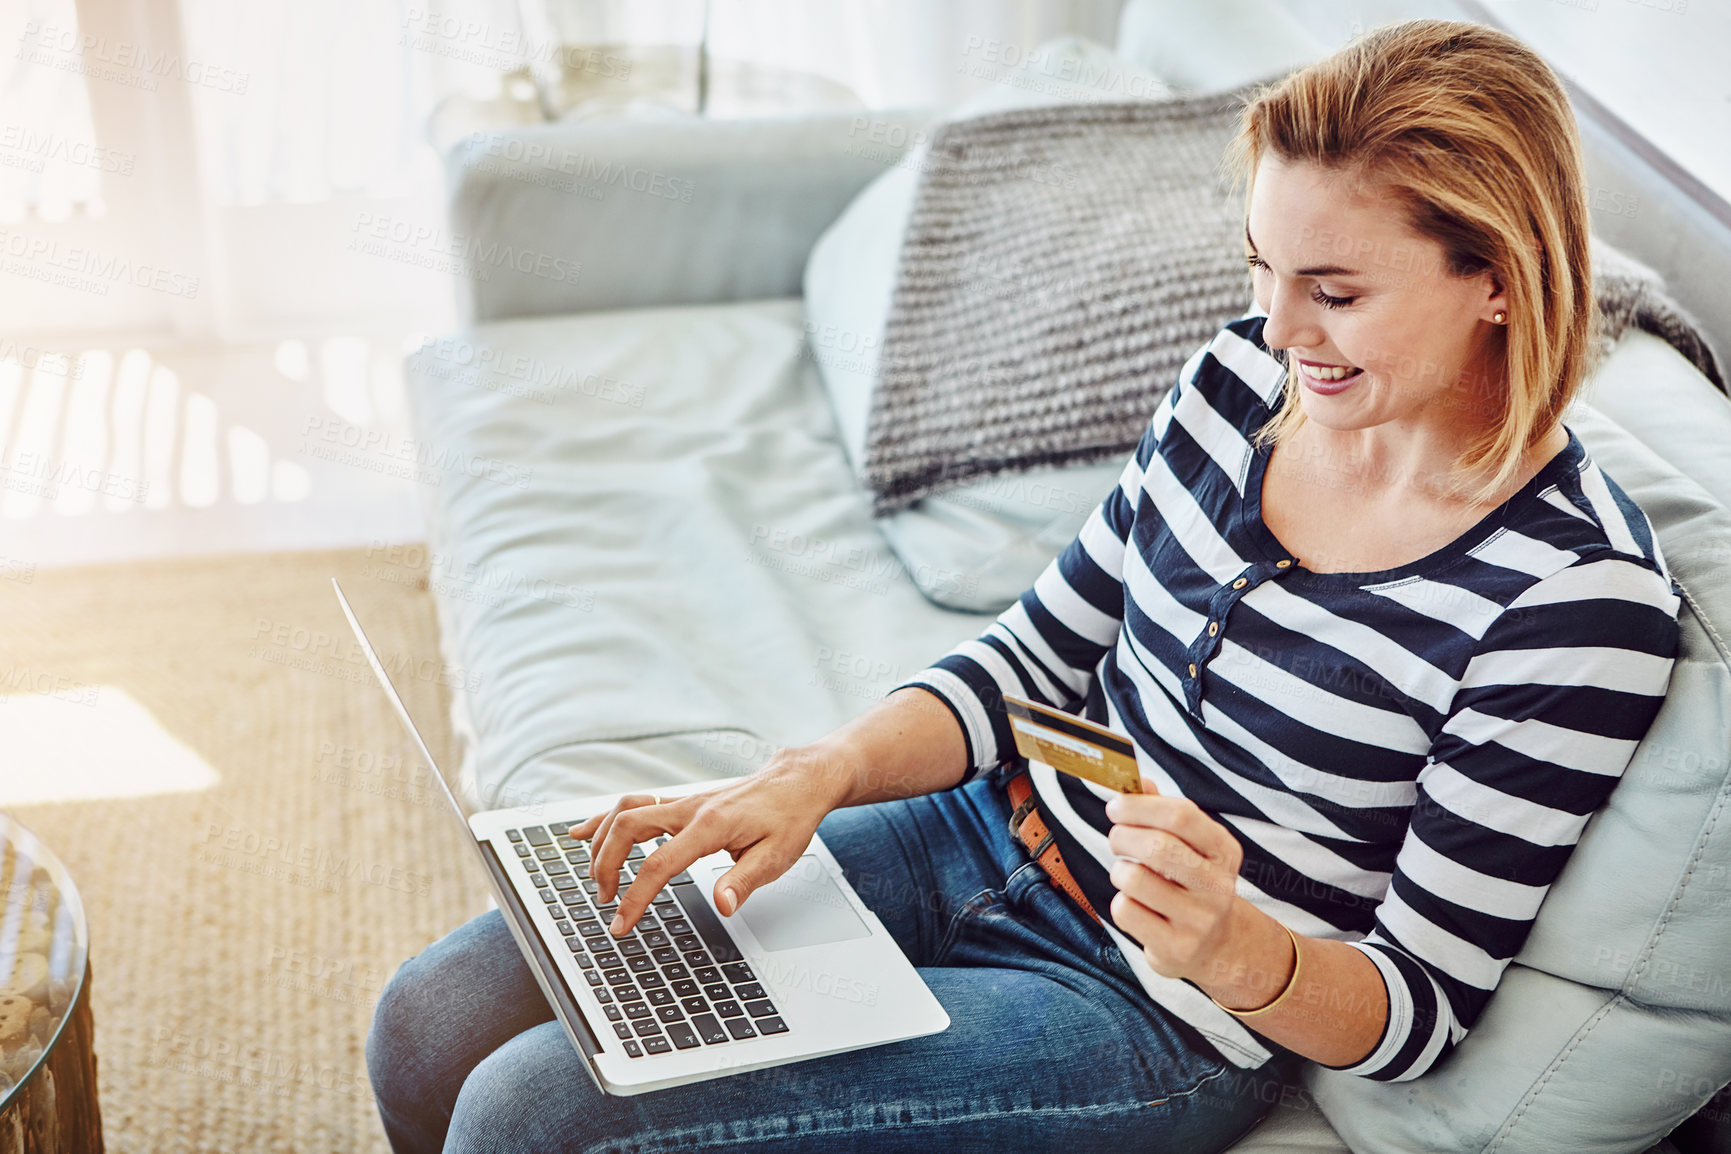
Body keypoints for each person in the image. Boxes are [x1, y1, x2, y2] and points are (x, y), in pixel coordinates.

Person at [367, 19, 1681, 1153]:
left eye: (1333, 291)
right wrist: (814, 772)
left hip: (1150, 1011)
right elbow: (1035, 658)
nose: (1279, 330)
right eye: (1262, 270)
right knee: (431, 1018)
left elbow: (1417, 1005)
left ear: (1497, 279)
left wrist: (1236, 946)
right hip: (977, 827)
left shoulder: (1575, 602)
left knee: (534, 1112)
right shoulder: (1242, 384)